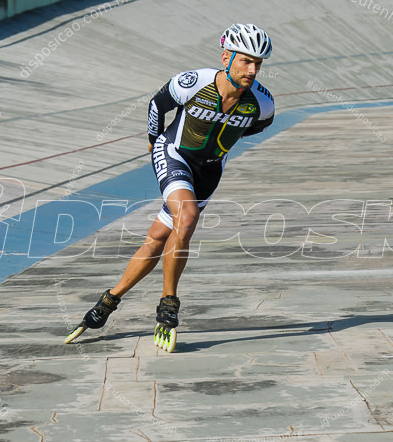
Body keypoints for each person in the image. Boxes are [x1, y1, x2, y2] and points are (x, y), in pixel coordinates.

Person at [65, 23, 276, 352]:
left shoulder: (262, 102)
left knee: (156, 239)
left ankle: (108, 300)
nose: (252, 70)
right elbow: (156, 105)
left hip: (209, 170)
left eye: (258, 64)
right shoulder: (193, 82)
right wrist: (153, 141)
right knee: (187, 218)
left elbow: (258, 126)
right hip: (174, 153)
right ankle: (168, 302)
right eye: (246, 61)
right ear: (226, 57)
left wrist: (222, 141)